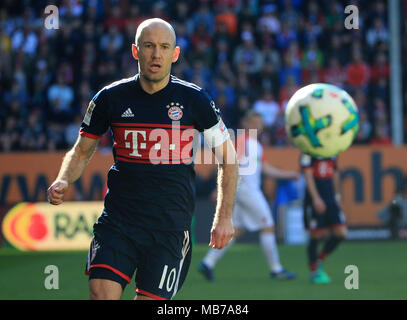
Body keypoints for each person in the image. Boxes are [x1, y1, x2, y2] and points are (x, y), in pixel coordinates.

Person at [47, 18, 238, 300]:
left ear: (175, 54)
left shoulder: (195, 100)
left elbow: (229, 159)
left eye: (164, 47)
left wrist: (224, 217)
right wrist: (64, 178)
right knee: (101, 294)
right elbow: (81, 150)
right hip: (119, 221)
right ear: (136, 51)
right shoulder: (109, 98)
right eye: (149, 46)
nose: (156, 54)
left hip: (169, 227)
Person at [198, 111, 298, 281]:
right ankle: (276, 269)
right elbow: (228, 163)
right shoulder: (243, 141)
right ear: (247, 123)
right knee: (268, 225)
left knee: (236, 231)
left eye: (260, 122)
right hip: (246, 190)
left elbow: (265, 168)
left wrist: (288, 174)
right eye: (255, 122)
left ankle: (208, 263)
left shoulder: (255, 145)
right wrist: (219, 188)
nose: (259, 125)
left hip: (242, 191)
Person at [300, 152, 346, 284]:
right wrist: (315, 198)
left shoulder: (332, 150)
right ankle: (314, 272)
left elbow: (335, 173)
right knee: (317, 235)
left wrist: (337, 196)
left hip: (331, 199)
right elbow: (308, 176)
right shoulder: (308, 153)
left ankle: (319, 260)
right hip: (315, 200)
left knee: (341, 233)